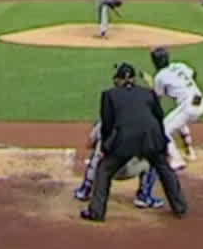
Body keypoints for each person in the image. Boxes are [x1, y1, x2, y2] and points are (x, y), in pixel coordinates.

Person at [80, 62, 187, 222]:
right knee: (163, 168)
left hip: (125, 141)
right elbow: (158, 116)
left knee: (104, 170)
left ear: (119, 80)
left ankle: (97, 212)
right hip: (151, 138)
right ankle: (180, 207)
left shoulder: (109, 95)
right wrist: (161, 143)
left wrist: (106, 147)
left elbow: (107, 125)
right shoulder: (148, 93)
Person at [71, 119, 157, 207]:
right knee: (154, 159)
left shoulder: (104, 121)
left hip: (104, 171)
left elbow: (89, 144)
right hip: (129, 171)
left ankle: (85, 190)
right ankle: (144, 197)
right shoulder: (145, 123)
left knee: (97, 154)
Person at [149, 46, 203, 170]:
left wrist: (153, 91)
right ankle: (189, 151)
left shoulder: (160, 77)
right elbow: (193, 74)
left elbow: (157, 98)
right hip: (200, 101)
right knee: (180, 120)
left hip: (189, 106)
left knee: (163, 129)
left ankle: (176, 160)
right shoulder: (180, 66)